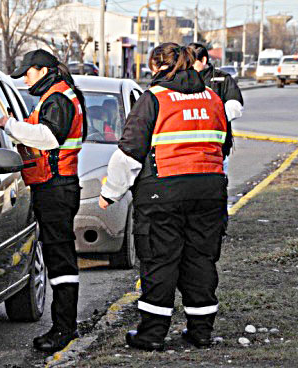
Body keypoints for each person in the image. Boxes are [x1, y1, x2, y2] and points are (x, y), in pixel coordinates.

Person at [98, 43, 230, 351]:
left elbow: (129, 153)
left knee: (160, 260)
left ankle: (153, 334)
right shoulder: (212, 98)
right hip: (209, 191)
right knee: (201, 260)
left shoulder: (154, 99)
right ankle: (201, 332)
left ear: (157, 66)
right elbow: (224, 144)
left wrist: (109, 194)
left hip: (163, 193)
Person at [0, 49, 87, 353]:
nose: (25, 78)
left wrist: (8, 125)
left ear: (44, 70)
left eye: (28, 72)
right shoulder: (57, 95)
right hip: (54, 186)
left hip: (56, 187)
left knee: (60, 260)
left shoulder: (59, 98)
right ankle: (64, 325)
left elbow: (48, 137)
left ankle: (64, 329)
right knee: (57, 257)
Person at [188, 43, 244, 174]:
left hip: (217, 148)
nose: (188, 66)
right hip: (189, 147)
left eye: (192, 62)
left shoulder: (222, 79)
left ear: (203, 60)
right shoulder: (183, 80)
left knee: (216, 188)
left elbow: (235, 105)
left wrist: (213, 116)